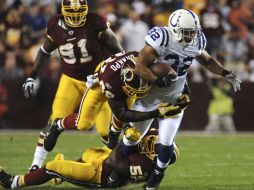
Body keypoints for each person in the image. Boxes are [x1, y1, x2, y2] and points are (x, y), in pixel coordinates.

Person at [117, 9, 241, 189]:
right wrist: (157, 79)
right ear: (175, 29)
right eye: (187, 32)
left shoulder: (197, 39)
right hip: (149, 98)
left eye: (193, 31)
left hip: (175, 99)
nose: (191, 35)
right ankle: (119, 170)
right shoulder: (163, 37)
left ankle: (155, 180)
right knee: (131, 138)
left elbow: (206, 61)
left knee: (166, 143)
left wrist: (226, 73)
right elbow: (139, 66)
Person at [22, 0, 124, 172]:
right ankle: (35, 165)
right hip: (70, 80)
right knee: (54, 119)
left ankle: (115, 168)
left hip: (97, 82)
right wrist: (32, 75)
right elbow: (45, 50)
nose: (76, 17)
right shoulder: (55, 24)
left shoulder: (96, 22)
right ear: (63, 10)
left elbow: (119, 53)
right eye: (71, 12)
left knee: (107, 132)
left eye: (79, 12)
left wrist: (108, 74)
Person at [44, 51, 186, 151]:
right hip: (100, 84)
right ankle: (58, 125)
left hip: (123, 80)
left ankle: (113, 134)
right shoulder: (111, 82)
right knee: (83, 124)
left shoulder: (143, 62)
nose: (135, 93)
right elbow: (122, 113)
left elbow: (170, 72)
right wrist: (155, 113)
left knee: (125, 108)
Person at [0, 129, 180, 189]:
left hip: (100, 174)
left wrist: (124, 140)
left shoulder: (146, 167)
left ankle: (13, 182)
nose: (154, 141)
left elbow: (113, 162)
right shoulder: (153, 140)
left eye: (157, 146)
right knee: (88, 152)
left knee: (53, 165)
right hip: (103, 159)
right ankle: (59, 176)